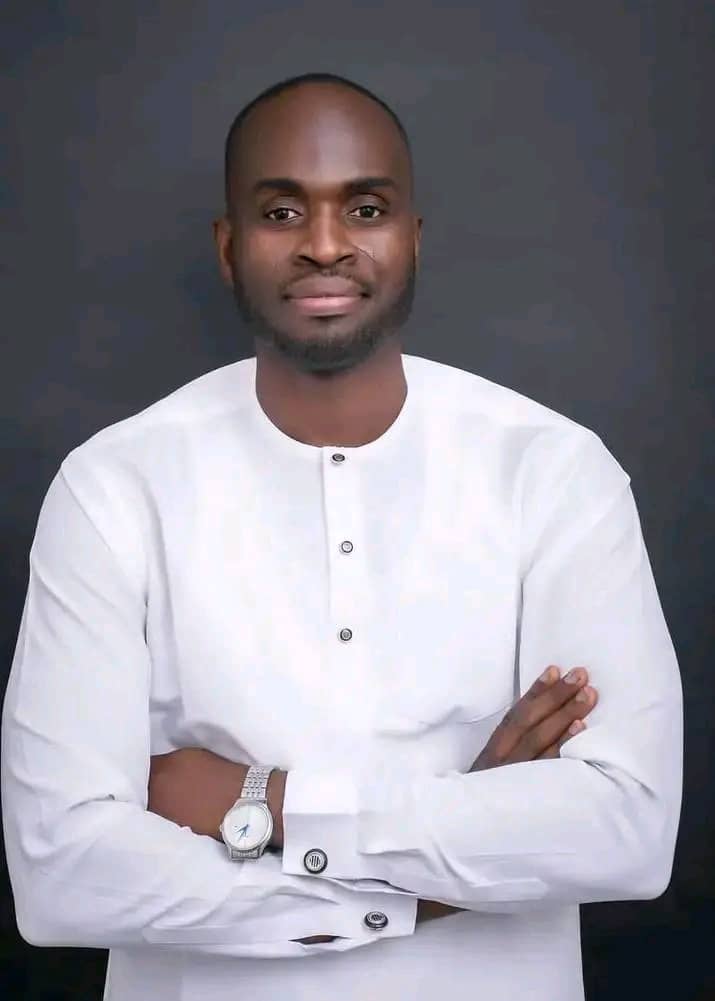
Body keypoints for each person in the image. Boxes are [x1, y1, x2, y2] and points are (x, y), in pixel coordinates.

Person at [1, 72, 683, 1001]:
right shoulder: (113, 487)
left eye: (364, 208)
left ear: (412, 237)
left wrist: (263, 802)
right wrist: (449, 859)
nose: (324, 244)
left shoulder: (554, 472)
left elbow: (625, 831)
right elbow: (63, 876)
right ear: (228, 247)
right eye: (282, 212)